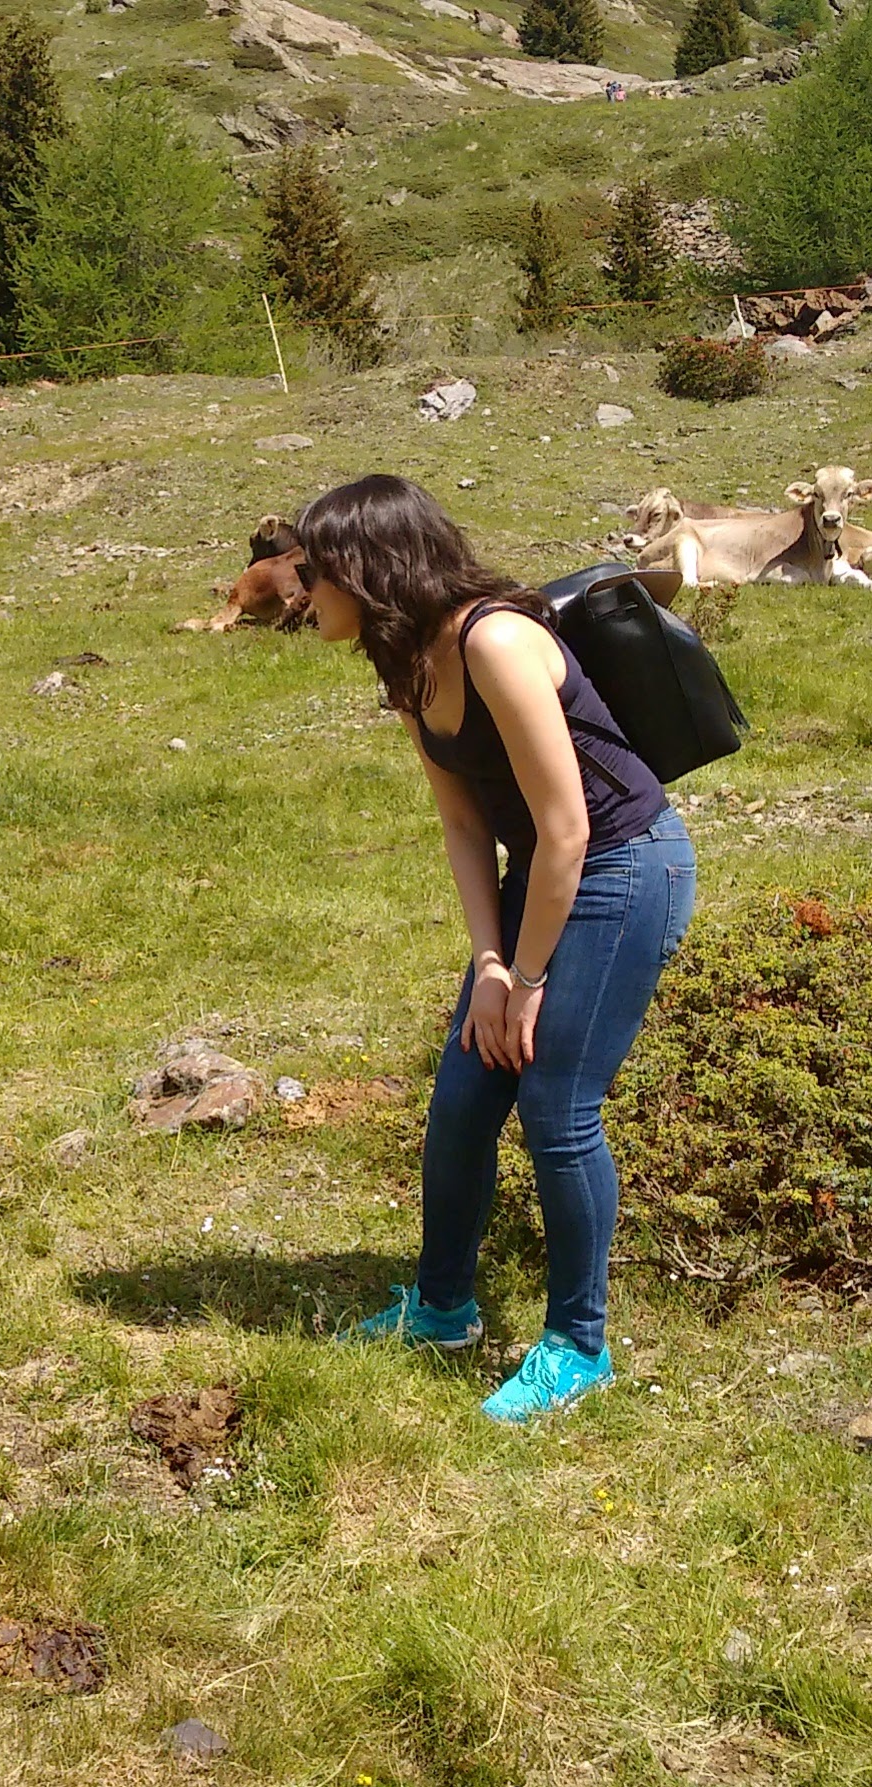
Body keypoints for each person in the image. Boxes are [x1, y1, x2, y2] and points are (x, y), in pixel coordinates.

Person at [292, 475, 695, 1422]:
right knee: (465, 1092)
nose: (303, 592)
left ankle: (578, 1345)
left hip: (624, 865)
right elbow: (468, 826)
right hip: (544, 875)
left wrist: (531, 976)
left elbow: (568, 829)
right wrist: (489, 967)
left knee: (557, 1104)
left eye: (315, 571)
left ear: (367, 568)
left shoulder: (496, 643)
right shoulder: (407, 664)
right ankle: (442, 1308)